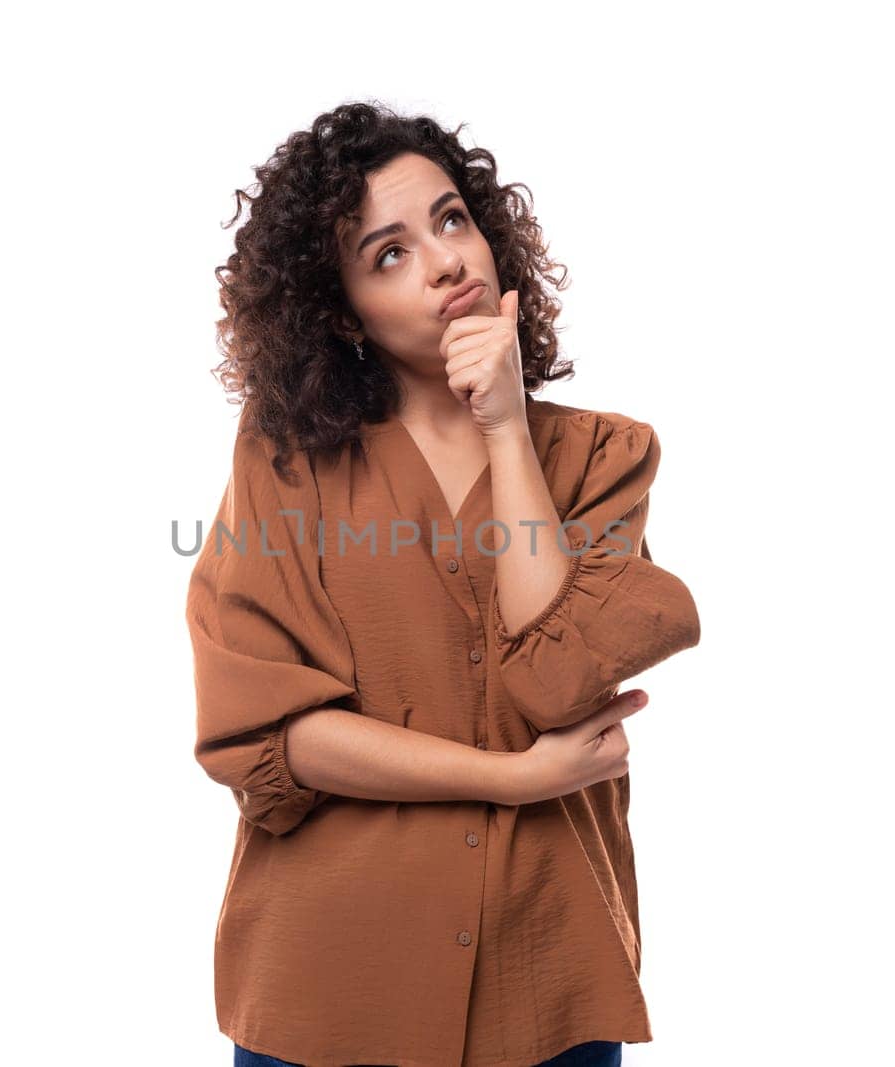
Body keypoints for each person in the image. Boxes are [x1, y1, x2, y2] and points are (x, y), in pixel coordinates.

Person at [185, 102, 702, 1067]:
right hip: (329, 991)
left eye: (453, 219)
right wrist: (513, 777)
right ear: (341, 309)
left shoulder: (601, 456)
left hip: (545, 984)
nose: (444, 261)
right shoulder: (286, 460)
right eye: (389, 253)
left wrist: (507, 428)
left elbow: (555, 681)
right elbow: (263, 729)